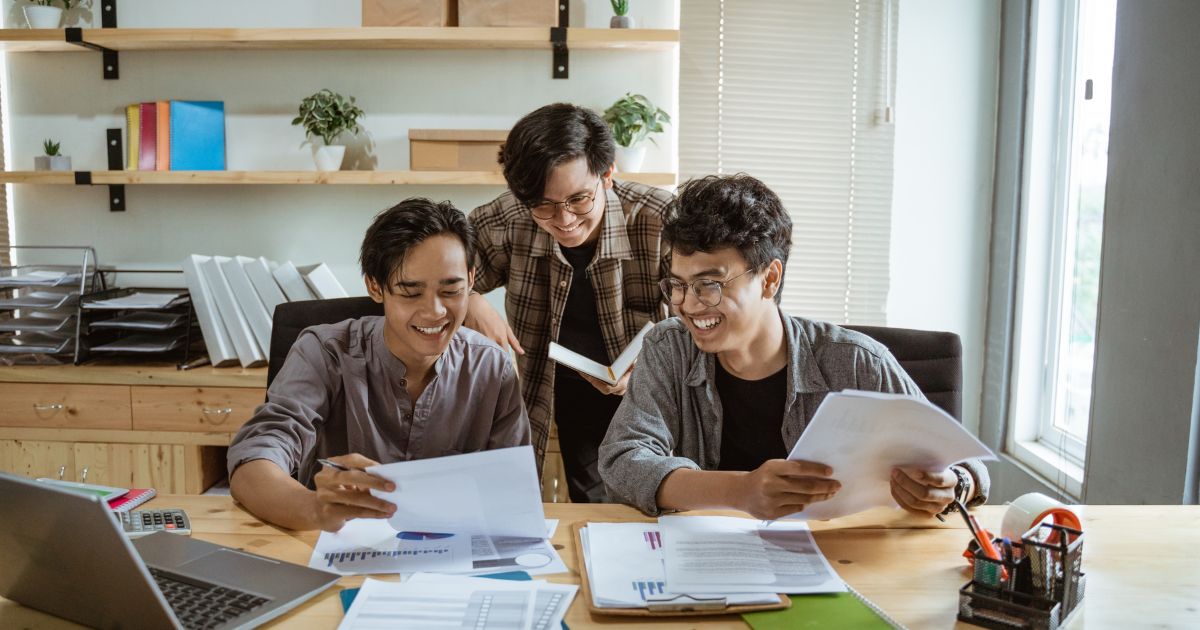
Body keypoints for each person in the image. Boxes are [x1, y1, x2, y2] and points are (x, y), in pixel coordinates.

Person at [599, 174, 990, 518]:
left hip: (840, 558)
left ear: (770, 279)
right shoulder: (669, 347)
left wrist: (950, 485)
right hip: (710, 560)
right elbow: (623, 459)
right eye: (678, 285)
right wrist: (740, 491)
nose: (687, 304)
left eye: (710, 285)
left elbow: (966, 465)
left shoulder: (856, 362)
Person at [228, 198, 529, 532]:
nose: (435, 311)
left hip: (454, 561)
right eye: (410, 292)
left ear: (471, 280)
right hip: (335, 552)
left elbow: (513, 493)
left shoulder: (493, 369)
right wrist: (314, 509)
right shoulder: (324, 353)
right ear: (375, 286)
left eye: (451, 290)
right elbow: (254, 459)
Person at [466, 103, 674, 502]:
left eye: (579, 199)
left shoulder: (660, 218)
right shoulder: (509, 219)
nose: (563, 219)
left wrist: (651, 365)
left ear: (608, 174)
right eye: (543, 205)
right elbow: (441, 278)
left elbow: (699, 319)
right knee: (590, 504)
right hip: (558, 385)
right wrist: (471, 300)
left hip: (648, 388)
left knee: (650, 499)